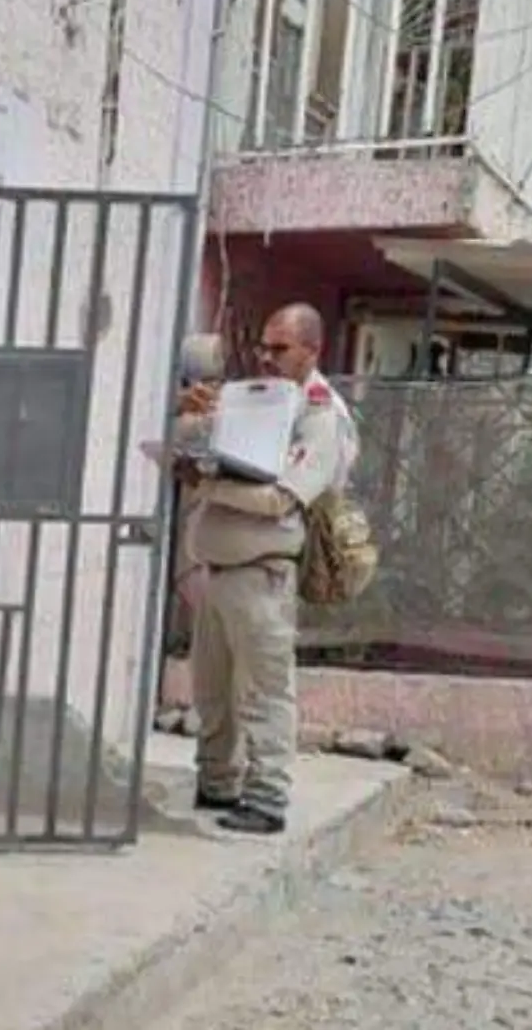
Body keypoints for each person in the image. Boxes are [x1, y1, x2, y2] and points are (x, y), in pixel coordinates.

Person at [175, 302, 355, 835]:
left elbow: (281, 499)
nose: (267, 357)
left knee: (264, 692)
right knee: (213, 689)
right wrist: (188, 417)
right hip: (221, 568)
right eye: (264, 346)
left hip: (263, 571)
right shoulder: (261, 403)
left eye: (280, 348)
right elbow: (202, 443)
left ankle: (267, 796)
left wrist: (206, 485)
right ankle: (218, 781)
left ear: (311, 351)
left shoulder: (321, 414)